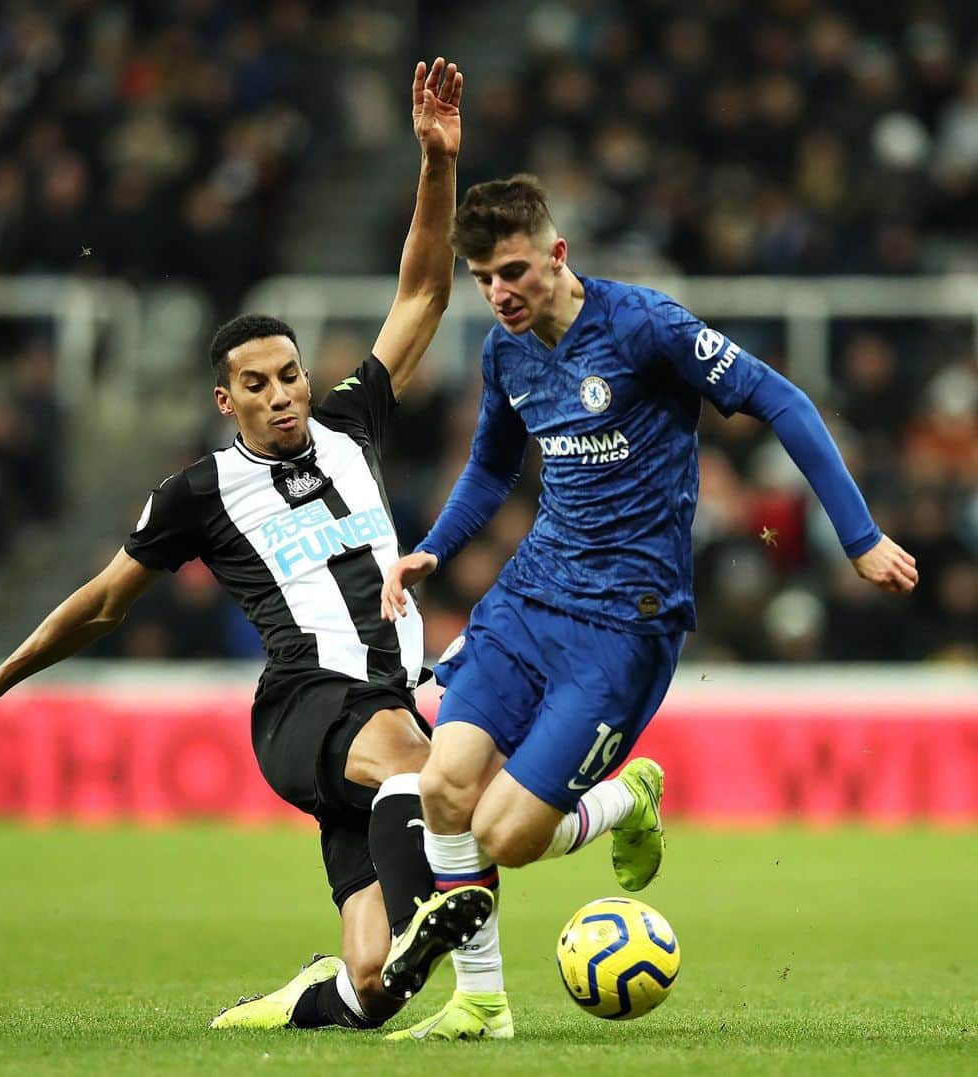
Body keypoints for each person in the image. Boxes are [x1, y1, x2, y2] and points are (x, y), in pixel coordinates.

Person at [0, 57, 496, 1035]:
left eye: (289, 376)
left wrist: (438, 163)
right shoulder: (198, 493)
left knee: (372, 985)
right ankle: (448, 911)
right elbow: (104, 601)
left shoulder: (353, 423)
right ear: (225, 401)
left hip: (382, 706)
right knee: (429, 773)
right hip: (310, 708)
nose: (282, 395)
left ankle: (304, 1000)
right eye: (257, 385)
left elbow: (426, 291)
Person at [380, 174, 919, 1039]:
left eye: (513, 270)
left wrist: (857, 535)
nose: (499, 293)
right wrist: (435, 546)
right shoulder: (505, 351)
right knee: (442, 788)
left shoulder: (646, 327)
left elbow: (782, 398)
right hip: (529, 599)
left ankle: (627, 797)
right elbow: (491, 466)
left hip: (625, 627)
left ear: (557, 255)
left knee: (505, 835)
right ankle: (481, 1002)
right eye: (483, 278)